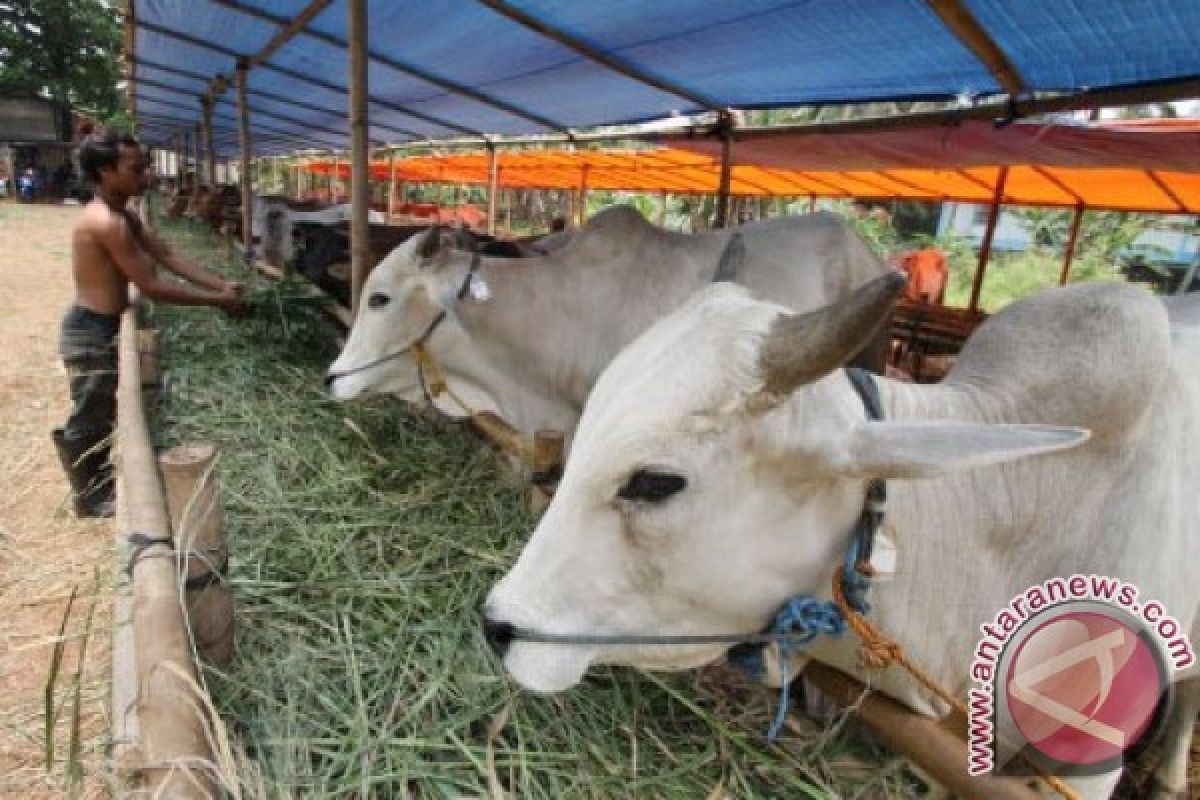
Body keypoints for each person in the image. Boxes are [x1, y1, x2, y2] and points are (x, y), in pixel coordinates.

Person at [54, 130, 246, 517]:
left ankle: (97, 486)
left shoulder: (123, 213)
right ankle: (87, 497)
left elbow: (168, 254)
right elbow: (151, 285)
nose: (148, 174)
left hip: (102, 324)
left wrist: (221, 284)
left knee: (101, 408)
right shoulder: (106, 221)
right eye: (136, 167)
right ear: (106, 172)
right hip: (91, 330)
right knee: (91, 412)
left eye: (146, 165)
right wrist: (216, 302)